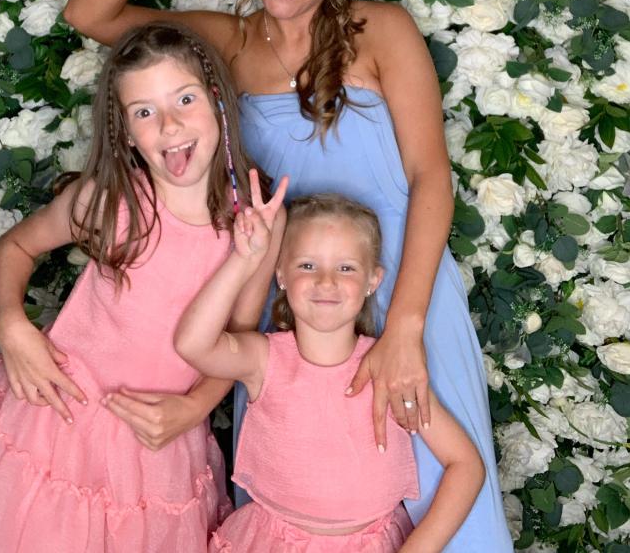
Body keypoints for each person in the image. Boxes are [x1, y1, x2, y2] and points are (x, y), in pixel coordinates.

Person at [63, 0, 514, 550]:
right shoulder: (229, 44)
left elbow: (432, 178)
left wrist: (405, 327)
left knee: (438, 483)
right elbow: (91, 14)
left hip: (403, 283)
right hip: (295, 301)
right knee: (304, 494)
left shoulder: (382, 31)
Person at [0, 23, 287, 553]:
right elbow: (17, 246)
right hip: (55, 417)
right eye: (144, 112)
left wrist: (195, 408)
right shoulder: (111, 202)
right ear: (126, 132)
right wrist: (11, 323)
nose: (170, 124)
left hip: (155, 442)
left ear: (218, 101)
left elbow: (239, 337)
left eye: (185, 99)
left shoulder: (258, 219)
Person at [175, 191, 485, 552]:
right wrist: (245, 260)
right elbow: (193, 344)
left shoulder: (388, 371)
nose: (326, 281)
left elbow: (466, 465)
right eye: (308, 265)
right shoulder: (263, 359)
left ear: (373, 280)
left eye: (346, 268)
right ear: (281, 275)